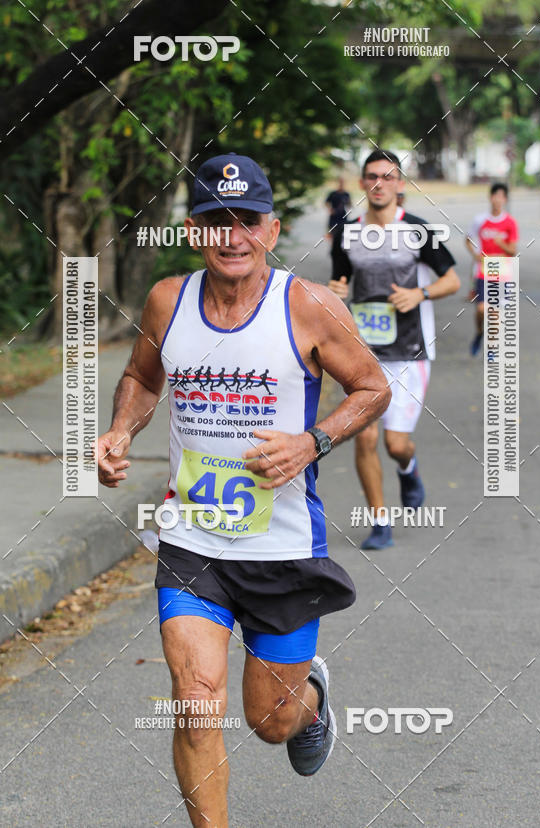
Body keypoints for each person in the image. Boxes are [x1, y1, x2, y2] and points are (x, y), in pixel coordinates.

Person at [96, 152, 390, 826]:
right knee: (197, 701)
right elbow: (143, 378)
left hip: (281, 543)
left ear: (273, 228)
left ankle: (308, 695)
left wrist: (311, 441)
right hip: (193, 537)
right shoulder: (169, 300)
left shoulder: (308, 306)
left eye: (247, 221)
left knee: (271, 722)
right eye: (214, 221)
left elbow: (373, 388)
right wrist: (120, 430)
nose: (232, 236)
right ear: (194, 230)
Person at [328, 149, 460, 550]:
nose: (379, 184)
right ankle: (379, 521)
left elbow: (452, 281)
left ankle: (409, 466)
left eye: (388, 177)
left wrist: (419, 294)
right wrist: (337, 292)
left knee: (394, 443)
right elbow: (340, 283)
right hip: (363, 355)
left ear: (400, 185)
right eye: (372, 176)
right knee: (365, 439)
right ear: (362, 183)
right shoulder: (347, 233)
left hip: (410, 352)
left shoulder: (419, 231)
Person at [465, 182, 519, 356]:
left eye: (502, 197)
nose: (498, 200)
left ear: (505, 199)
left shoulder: (510, 222)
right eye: (495, 196)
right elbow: (467, 239)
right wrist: (475, 255)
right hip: (483, 272)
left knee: (494, 313)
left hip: (503, 274)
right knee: (481, 310)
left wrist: (501, 243)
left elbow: (513, 250)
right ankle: (480, 332)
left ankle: (492, 348)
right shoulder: (480, 220)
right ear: (490, 197)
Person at [325, 178, 352, 280]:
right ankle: (334, 250)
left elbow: (350, 204)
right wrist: (330, 209)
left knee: (342, 235)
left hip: (343, 218)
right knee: (332, 234)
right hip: (333, 218)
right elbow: (326, 202)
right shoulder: (333, 194)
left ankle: (341, 251)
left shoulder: (346, 194)